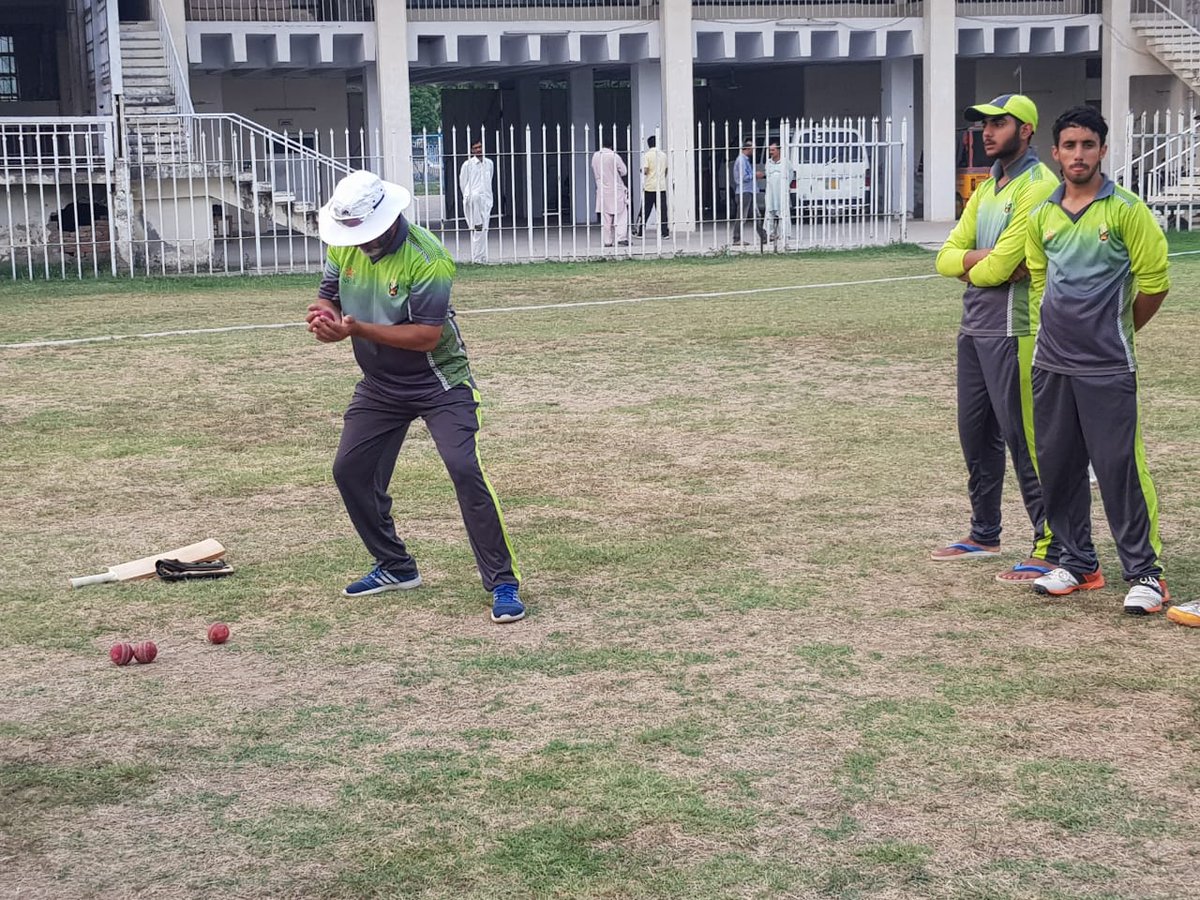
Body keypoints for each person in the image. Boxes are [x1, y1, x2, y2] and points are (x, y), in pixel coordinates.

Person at [307, 170, 524, 624]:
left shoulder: (428, 258)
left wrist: (357, 328)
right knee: (350, 470)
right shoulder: (344, 244)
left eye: (366, 233)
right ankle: (395, 565)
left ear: (389, 220)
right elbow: (328, 297)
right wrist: (325, 322)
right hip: (381, 385)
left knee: (465, 469)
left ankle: (502, 581)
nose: (359, 242)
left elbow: (426, 336)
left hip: (440, 383)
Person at [1025, 106, 1171, 615]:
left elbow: (1155, 284)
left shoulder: (1127, 210)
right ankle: (1078, 562)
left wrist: (1117, 331)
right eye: (1069, 146)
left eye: (1088, 145)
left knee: (1118, 467)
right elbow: (1041, 282)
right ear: (1056, 153)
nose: (1078, 154)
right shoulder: (1043, 214)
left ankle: (1146, 574)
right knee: (1059, 466)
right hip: (1051, 364)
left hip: (1107, 366)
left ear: (1103, 150)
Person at [931, 94, 1062, 585]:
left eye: (998, 123)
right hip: (974, 327)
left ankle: (1050, 543)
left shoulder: (1039, 185)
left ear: (1026, 129)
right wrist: (978, 265)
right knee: (976, 434)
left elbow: (1007, 265)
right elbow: (945, 256)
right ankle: (984, 532)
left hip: (1015, 328)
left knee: (1025, 437)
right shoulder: (988, 189)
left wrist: (978, 264)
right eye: (983, 124)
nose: (986, 132)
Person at [458, 140, 494, 264]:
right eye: (476, 148)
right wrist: (470, 197)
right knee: (477, 229)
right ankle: (477, 258)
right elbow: (463, 183)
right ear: (472, 150)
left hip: (486, 201)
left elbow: (489, 180)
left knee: (484, 229)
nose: (478, 150)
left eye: (480, 147)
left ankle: (482, 257)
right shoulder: (467, 165)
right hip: (474, 202)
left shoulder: (489, 163)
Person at [591, 134, 629, 247]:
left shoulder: (596, 156)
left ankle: (607, 241)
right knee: (621, 214)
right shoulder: (614, 156)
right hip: (615, 188)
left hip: (602, 188)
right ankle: (621, 237)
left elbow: (594, 169)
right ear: (612, 145)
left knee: (606, 217)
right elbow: (624, 171)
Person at [731, 139, 765, 248]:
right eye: (752, 148)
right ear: (747, 148)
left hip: (748, 191)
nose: (754, 151)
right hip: (744, 191)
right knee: (742, 216)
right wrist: (755, 175)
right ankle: (736, 238)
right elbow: (743, 177)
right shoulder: (741, 160)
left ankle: (763, 236)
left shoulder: (745, 160)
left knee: (756, 215)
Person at [633, 135, 669, 238]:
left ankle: (640, 231)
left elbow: (645, 170)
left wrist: (642, 171)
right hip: (661, 186)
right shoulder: (663, 155)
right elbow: (666, 170)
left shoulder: (647, 155)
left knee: (645, 210)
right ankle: (664, 232)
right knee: (662, 210)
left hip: (649, 187)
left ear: (648, 144)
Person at [763, 140, 795, 246]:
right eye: (770, 150)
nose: (771, 152)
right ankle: (769, 233)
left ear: (779, 150)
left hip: (781, 192)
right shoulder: (768, 162)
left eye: (773, 150)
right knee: (769, 211)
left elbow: (790, 175)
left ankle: (785, 233)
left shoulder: (785, 162)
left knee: (783, 212)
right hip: (771, 192)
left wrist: (785, 186)